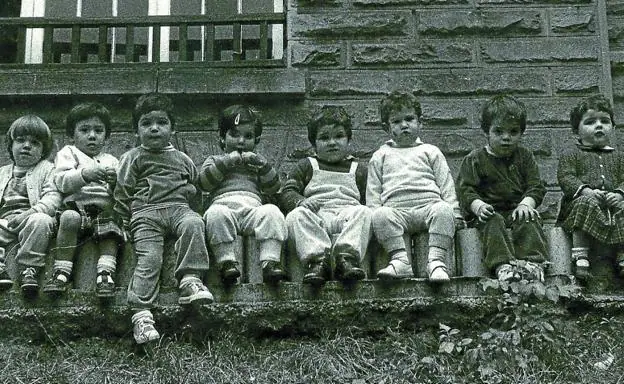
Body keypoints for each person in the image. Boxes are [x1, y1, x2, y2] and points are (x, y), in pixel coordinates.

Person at [114, 93, 213, 345]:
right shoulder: (133, 157)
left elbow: (194, 187)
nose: (154, 128)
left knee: (194, 223)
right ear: (137, 130)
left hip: (179, 208)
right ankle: (141, 314)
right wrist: (124, 220)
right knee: (150, 257)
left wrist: (190, 198)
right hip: (146, 214)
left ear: (173, 127)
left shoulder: (183, 159)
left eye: (161, 122)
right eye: (146, 123)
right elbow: (123, 191)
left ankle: (190, 280)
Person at [367, 91, 463, 282]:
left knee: (443, 210)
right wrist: (374, 216)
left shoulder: (430, 151)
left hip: (428, 207)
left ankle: (436, 262)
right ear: (387, 127)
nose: (404, 125)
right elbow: (373, 190)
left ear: (420, 122)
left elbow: (446, 184)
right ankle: (401, 260)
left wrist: (455, 212)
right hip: (396, 211)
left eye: (409, 119)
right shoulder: (381, 155)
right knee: (379, 215)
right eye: (396, 121)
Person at [456, 95, 548, 282]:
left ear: (521, 133)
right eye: (499, 132)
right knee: (493, 221)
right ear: (486, 132)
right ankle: (502, 265)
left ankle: (533, 263)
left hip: (517, 208)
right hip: (488, 212)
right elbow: (466, 189)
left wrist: (526, 204)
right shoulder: (475, 159)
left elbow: (535, 185)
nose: (506, 138)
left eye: (513, 132)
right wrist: (478, 206)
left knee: (528, 219)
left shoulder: (525, 156)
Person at [281, 106, 371, 285]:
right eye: (324, 138)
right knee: (295, 217)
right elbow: (287, 191)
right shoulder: (307, 165)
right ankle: (318, 261)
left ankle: (346, 259)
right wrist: (301, 202)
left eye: (338, 136)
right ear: (314, 144)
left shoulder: (358, 169)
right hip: (317, 216)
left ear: (349, 140)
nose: (332, 142)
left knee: (365, 212)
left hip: (347, 215)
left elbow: (368, 197)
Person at [200, 105, 287, 286]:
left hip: (252, 210)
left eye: (248, 136)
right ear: (222, 137)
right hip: (224, 207)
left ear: (256, 140)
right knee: (215, 215)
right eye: (234, 134)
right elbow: (204, 183)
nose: (241, 141)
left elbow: (273, 187)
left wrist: (263, 166)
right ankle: (226, 262)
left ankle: (270, 261)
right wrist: (226, 163)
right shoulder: (215, 160)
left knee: (272, 212)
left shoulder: (256, 164)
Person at [43, 102, 122, 298]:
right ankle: (61, 271)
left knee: (111, 226)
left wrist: (114, 183)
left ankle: (105, 273)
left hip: (103, 210)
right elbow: (61, 181)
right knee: (68, 218)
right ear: (72, 134)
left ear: (106, 135)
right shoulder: (68, 154)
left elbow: (121, 193)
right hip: (76, 207)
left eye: (98, 130)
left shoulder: (112, 160)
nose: (92, 135)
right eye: (84, 130)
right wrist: (85, 174)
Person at [557, 94, 624, 279]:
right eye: (590, 122)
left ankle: (622, 254)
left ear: (613, 127)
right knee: (585, 203)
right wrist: (586, 190)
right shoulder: (572, 154)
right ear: (576, 131)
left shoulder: (618, 157)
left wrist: (619, 193)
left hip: (610, 204)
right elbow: (566, 176)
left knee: (622, 208)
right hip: (580, 204)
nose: (599, 125)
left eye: (605, 121)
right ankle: (580, 255)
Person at [0, 115, 60, 294]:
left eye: (35, 143)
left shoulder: (47, 169)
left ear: (43, 150)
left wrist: (31, 212)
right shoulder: (2, 172)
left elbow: (52, 197)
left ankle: (28, 269)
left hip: (30, 218)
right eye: (20, 140)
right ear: (10, 145)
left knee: (41, 221)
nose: (27, 146)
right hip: (5, 222)